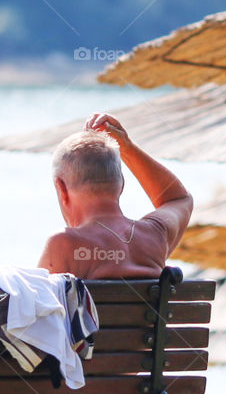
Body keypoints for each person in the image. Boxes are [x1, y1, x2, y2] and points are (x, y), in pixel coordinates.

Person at [38, 114, 193, 279]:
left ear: (61, 189)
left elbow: (34, 302)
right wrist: (127, 147)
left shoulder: (64, 244)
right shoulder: (155, 235)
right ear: (122, 185)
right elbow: (179, 198)